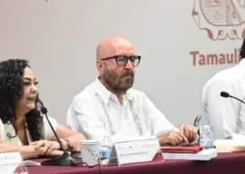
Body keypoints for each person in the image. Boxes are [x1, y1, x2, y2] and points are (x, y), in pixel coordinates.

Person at [66, 36, 198, 146]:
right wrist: (156, 141)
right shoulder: (85, 101)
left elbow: (164, 130)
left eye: (133, 59)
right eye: (121, 60)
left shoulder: (139, 98)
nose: (129, 66)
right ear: (100, 66)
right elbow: (102, 143)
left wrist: (183, 134)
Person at [0, 59, 83, 159]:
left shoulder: (36, 120)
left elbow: (81, 139)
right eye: (26, 83)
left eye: (35, 83)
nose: (34, 89)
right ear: (8, 89)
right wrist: (40, 150)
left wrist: (61, 144)